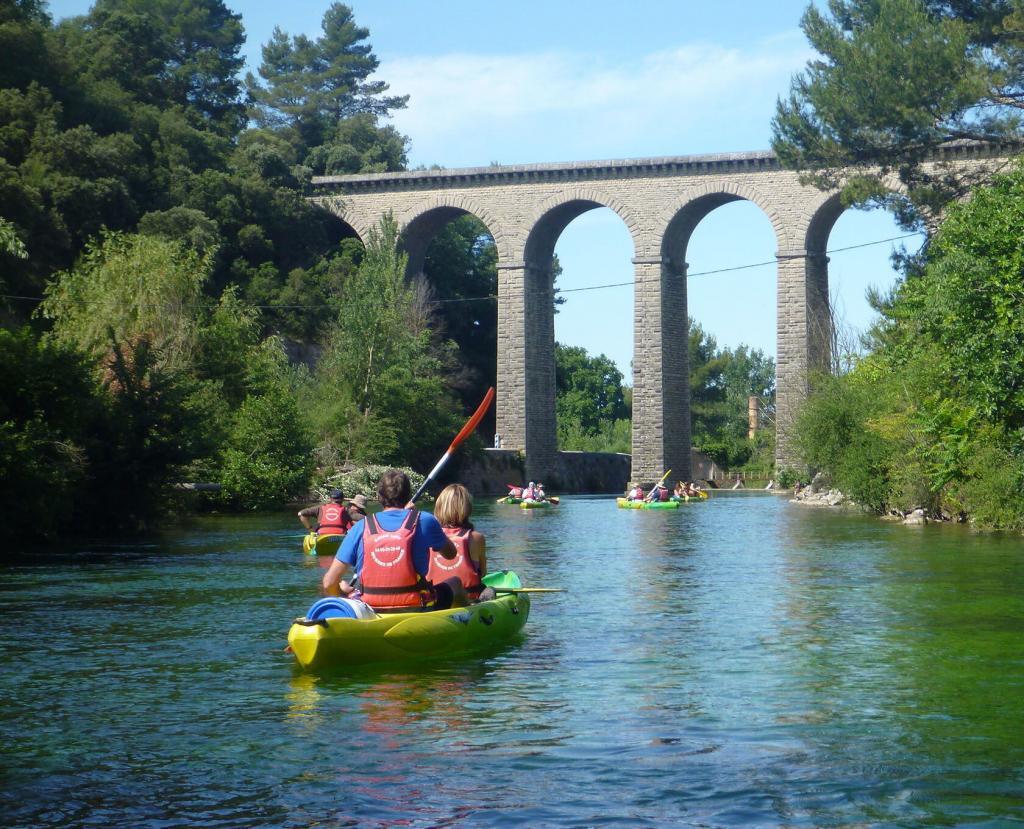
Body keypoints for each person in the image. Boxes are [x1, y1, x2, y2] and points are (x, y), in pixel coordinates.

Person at [322, 470, 465, 612]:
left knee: (341, 585)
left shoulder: (360, 527)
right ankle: (463, 620)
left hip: (370, 609)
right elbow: (451, 554)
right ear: (408, 496)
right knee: (456, 583)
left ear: (379, 497)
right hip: (416, 606)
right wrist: (417, 517)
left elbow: (329, 583)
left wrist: (345, 595)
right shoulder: (425, 520)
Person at [427, 484, 494, 602]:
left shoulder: (428, 537)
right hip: (468, 600)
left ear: (439, 507)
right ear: (467, 509)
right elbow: (483, 573)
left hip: (437, 601)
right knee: (490, 591)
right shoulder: (476, 538)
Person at [298, 488, 352, 557]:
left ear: (330, 498)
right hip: (339, 536)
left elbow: (301, 514)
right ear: (342, 499)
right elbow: (363, 519)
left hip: (321, 537)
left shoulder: (320, 508)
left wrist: (310, 529)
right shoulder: (347, 510)